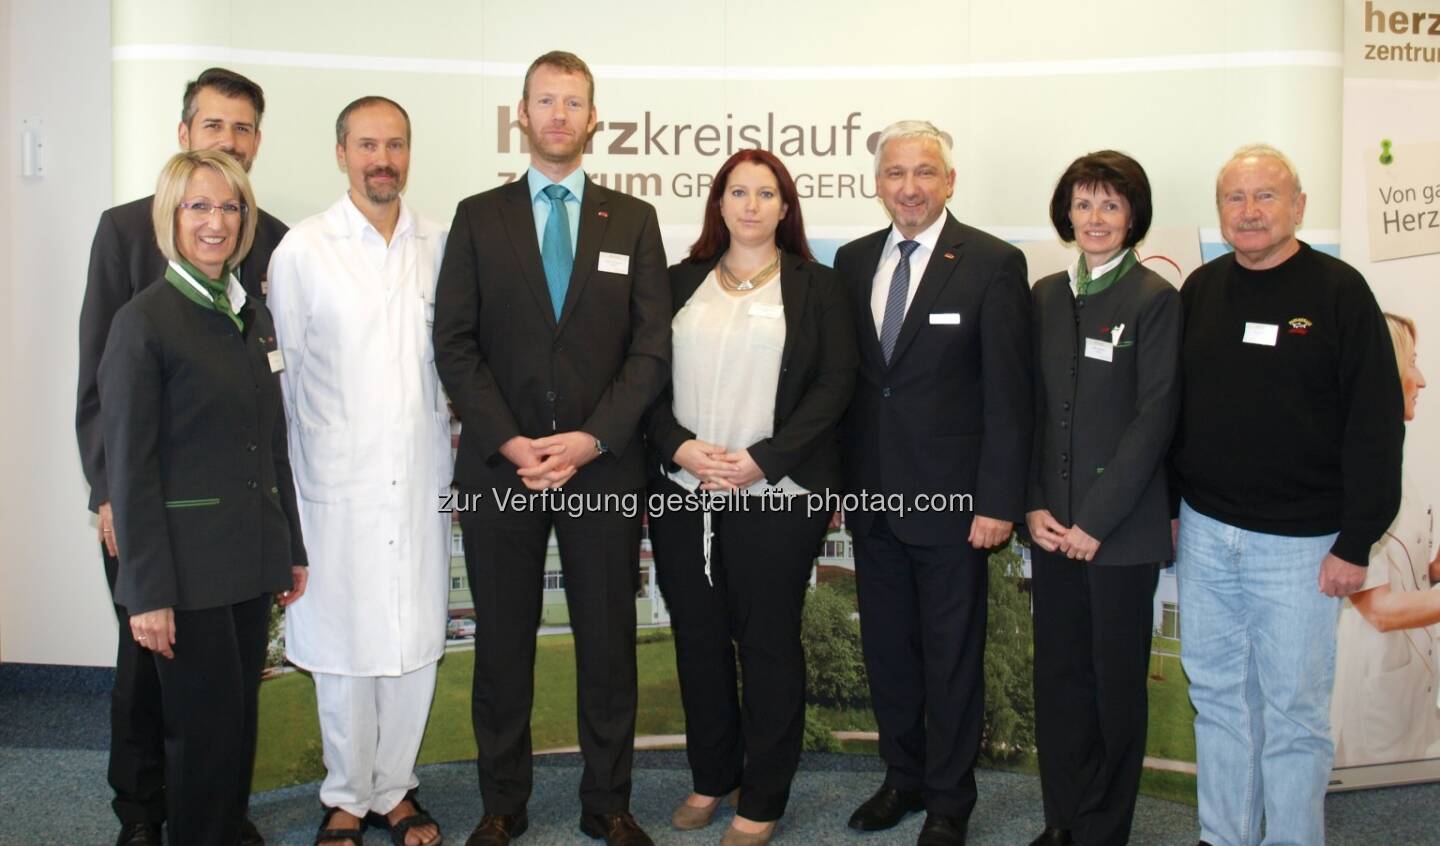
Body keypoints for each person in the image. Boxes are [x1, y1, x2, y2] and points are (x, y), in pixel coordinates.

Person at [433, 50, 669, 846]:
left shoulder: (632, 220)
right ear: (522, 116)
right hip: (503, 470)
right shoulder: (477, 216)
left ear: (593, 118)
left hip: (603, 467)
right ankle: (504, 804)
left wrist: (591, 438)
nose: (560, 115)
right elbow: (455, 346)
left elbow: (649, 351)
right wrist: (514, 443)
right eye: (546, 101)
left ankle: (607, 803)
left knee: (608, 645)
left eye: (574, 102)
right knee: (502, 646)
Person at [75, 66, 287, 846]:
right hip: (149, 514)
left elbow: (266, 408)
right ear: (184, 133)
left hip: (234, 530)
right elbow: (105, 390)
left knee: (222, 701)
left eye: (242, 130)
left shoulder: (268, 246)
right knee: (149, 679)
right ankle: (141, 814)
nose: (215, 220)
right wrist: (110, 500)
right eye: (214, 126)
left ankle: (214, 818)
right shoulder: (129, 238)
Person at [1171, 144, 1404, 845]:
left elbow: (1374, 422)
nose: (1248, 212)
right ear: (1219, 211)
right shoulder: (1202, 291)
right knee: (1217, 701)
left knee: (1294, 715)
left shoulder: (1339, 292)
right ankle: (1225, 836)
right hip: (1207, 532)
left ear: (1298, 205)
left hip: (1304, 546)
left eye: (1265, 196)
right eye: (1234, 198)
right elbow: (1174, 411)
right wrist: (1172, 510)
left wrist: (1356, 538)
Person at [646, 149, 857, 846]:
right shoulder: (678, 282)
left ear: (785, 207)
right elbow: (640, 378)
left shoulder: (816, 287)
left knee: (766, 642)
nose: (751, 205)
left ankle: (762, 796)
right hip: (684, 490)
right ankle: (712, 776)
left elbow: (833, 388)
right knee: (699, 638)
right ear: (719, 203)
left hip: (776, 492)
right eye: (738, 192)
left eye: (766, 193)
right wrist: (677, 445)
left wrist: (762, 462)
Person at [836, 120, 1032, 846]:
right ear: (878, 182)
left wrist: (997, 501)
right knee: (888, 651)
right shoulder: (853, 262)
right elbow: (855, 388)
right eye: (895, 173)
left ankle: (950, 800)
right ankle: (902, 778)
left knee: (952, 659)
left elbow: (1009, 396)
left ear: (949, 182)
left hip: (955, 506)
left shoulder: (990, 262)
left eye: (924, 172)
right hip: (874, 501)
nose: (909, 187)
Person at [266, 96, 449, 846]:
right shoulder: (303, 251)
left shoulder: (440, 243)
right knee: (344, 648)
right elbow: (282, 383)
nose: (383, 159)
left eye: (396, 145)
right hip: (333, 486)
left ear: (410, 153)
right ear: (340, 152)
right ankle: (345, 795)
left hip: (419, 477)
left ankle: (396, 791)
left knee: (411, 642)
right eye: (368, 145)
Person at [1024, 151, 1180, 846]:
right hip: (1051, 532)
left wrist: (1094, 522)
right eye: (1083, 204)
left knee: (1114, 689)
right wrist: (1033, 505)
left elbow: (1155, 421)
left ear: (1133, 216)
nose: (1095, 219)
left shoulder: (1155, 299)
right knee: (1058, 683)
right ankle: (1062, 820)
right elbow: (1026, 412)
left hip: (1118, 537)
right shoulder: (1047, 297)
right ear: (1067, 214)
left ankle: (1103, 830)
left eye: (1110, 205)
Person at [1332, 312, 1440, 768]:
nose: (1422, 378)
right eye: (1411, 361)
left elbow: (1418, 574)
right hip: (1368, 702)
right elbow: (1377, 608)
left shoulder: (1392, 461)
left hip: (1413, 687)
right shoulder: (1353, 470)